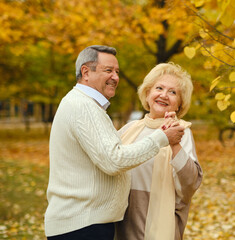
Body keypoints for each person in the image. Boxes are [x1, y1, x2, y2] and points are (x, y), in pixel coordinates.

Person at [44, 45, 185, 240]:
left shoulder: (85, 105)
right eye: (108, 70)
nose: (115, 77)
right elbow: (114, 160)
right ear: (86, 72)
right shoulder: (83, 107)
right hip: (82, 227)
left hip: (86, 225)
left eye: (117, 72)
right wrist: (162, 138)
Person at [115, 62, 203, 240]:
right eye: (159, 88)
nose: (164, 95)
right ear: (147, 94)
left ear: (179, 104)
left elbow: (190, 184)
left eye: (173, 92)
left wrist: (174, 144)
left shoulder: (182, 132)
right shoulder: (128, 129)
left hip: (157, 221)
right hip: (121, 220)